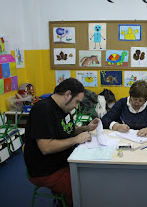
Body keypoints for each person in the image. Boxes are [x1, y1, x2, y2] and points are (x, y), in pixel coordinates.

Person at [23, 78, 100, 206]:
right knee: (83, 188)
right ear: (67, 94)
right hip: (45, 170)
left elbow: (68, 130)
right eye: (76, 102)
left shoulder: (64, 109)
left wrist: (86, 128)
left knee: (92, 175)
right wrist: (76, 139)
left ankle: (64, 199)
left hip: (63, 162)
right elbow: (46, 147)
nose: (76, 106)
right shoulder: (42, 109)